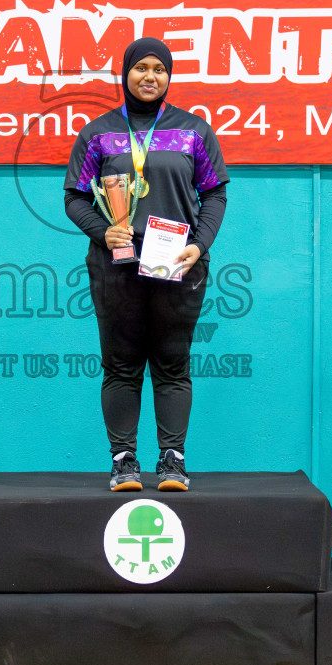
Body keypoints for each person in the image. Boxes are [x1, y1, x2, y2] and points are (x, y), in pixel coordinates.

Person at [64, 37, 229, 492]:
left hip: (177, 263)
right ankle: (124, 462)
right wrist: (103, 231)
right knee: (121, 364)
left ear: (169, 76)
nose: (150, 76)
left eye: (160, 68)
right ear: (126, 72)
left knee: (173, 364)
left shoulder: (194, 130)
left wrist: (199, 244)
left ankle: (172, 461)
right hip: (115, 267)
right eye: (141, 68)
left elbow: (214, 194)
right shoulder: (97, 132)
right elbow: (74, 198)